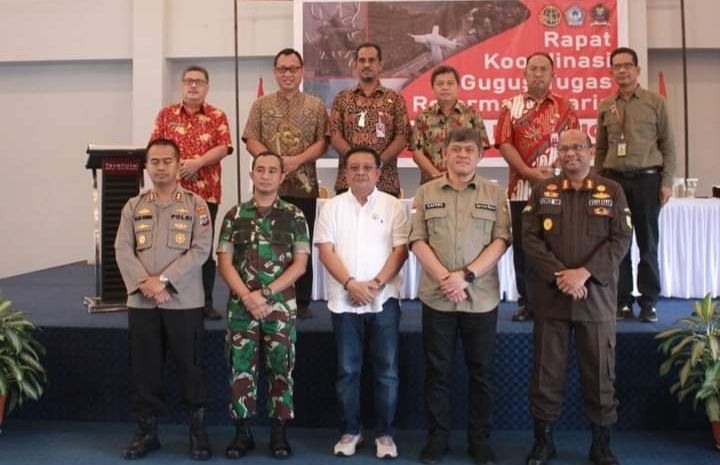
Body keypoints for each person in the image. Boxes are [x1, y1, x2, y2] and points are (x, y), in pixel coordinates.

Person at [521, 129, 632, 465]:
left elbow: (620, 240)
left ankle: (601, 445)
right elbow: (530, 239)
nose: (571, 154)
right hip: (552, 297)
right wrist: (561, 275)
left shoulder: (611, 191)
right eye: (565, 148)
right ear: (558, 153)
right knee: (546, 374)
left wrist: (583, 273)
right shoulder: (543, 190)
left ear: (590, 152)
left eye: (578, 147)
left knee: (600, 374)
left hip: (595, 297)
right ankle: (543, 443)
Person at [409, 128, 511, 465]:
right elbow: (417, 240)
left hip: (480, 298)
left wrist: (465, 277)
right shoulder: (425, 192)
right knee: (437, 371)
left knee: (481, 372)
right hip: (438, 297)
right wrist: (445, 278)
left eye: (470, 149)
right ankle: (438, 437)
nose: (463, 155)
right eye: (456, 149)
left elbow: (500, 241)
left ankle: (479, 439)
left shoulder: (495, 194)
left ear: (480, 156)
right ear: (445, 155)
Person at [115, 138, 213, 461]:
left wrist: (164, 281)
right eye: (154, 161)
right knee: (144, 370)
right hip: (142, 303)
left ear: (178, 164)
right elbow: (122, 249)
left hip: (183, 302)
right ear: (146, 166)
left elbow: (200, 250)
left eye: (166, 161)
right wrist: (146, 284)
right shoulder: (133, 206)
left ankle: (197, 434)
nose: (160, 167)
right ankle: (147, 433)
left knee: (191, 368)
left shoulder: (196, 206)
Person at [314, 147, 409, 459]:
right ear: (345, 172)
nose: (360, 172)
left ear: (379, 172)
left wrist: (375, 285)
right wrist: (351, 284)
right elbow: (325, 250)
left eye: (368, 167)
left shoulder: (394, 206)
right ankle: (351, 430)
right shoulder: (331, 207)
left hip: (384, 301)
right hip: (344, 301)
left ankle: (385, 434)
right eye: (354, 167)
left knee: (387, 372)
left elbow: (400, 251)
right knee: (347, 371)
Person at [216, 152, 310, 460]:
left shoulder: (294, 216)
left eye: (272, 171)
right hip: (242, 307)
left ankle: (279, 433)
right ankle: (242, 433)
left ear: (282, 176)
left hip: (279, 307)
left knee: (281, 367)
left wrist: (265, 294)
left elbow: (299, 265)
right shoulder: (234, 215)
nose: (266, 175)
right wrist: (248, 297)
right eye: (260, 170)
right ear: (252, 174)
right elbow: (225, 262)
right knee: (240, 367)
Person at [243, 48, 328, 320]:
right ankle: (267, 293)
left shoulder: (315, 105)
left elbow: (323, 142)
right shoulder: (261, 105)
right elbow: (250, 138)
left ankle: (301, 301)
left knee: (300, 242)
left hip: (304, 187)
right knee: (267, 243)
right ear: (275, 72)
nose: (288, 73)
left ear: (302, 71)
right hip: (268, 188)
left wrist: (296, 160)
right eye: (282, 69)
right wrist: (273, 162)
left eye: (293, 68)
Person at [495, 52, 579, 322]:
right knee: (524, 247)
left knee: (557, 246)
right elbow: (504, 144)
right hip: (521, 190)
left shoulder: (566, 107)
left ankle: (557, 298)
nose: (538, 73)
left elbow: (575, 145)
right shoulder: (511, 106)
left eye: (544, 69)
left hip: (558, 189)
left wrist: (553, 174)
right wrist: (529, 173)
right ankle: (527, 302)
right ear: (525, 73)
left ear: (553, 75)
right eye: (533, 69)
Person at [596, 46, 677, 322]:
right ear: (611, 71)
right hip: (614, 182)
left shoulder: (656, 102)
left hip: (647, 181)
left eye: (627, 65)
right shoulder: (606, 105)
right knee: (619, 243)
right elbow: (600, 149)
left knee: (648, 244)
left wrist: (666, 182)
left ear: (637, 70)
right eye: (617, 66)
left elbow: (668, 146)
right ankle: (622, 301)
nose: (622, 70)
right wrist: (597, 183)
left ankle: (649, 301)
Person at [150, 65, 233, 320]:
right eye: (188, 81)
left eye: (199, 81)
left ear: (207, 87)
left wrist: (197, 163)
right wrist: (179, 166)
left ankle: (205, 301)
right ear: (181, 85)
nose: (193, 85)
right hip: (170, 195)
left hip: (206, 194)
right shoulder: (166, 115)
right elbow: (155, 148)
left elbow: (224, 148)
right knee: (172, 246)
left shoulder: (218, 116)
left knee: (203, 249)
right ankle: (169, 296)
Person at [328, 42, 411, 197]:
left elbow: (402, 137)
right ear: (355, 64)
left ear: (380, 65)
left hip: (385, 182)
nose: (366, 64)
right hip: (348, 183)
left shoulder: (395, 99)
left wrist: (375, 163)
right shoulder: (342, 98)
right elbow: (334, 135)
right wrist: (357, 162)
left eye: (372, 60)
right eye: (362, 60)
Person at [411, 65, 490, 185]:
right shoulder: (423, 117)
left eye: (450, 83)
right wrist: (436, 175)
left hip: (464, 182)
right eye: (440, 84)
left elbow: (481, 147)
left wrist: (463, 171)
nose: (445, 87)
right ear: (432, 88)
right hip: (431, 183)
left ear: (458, 87)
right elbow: (417, 152)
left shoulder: (472, 114)